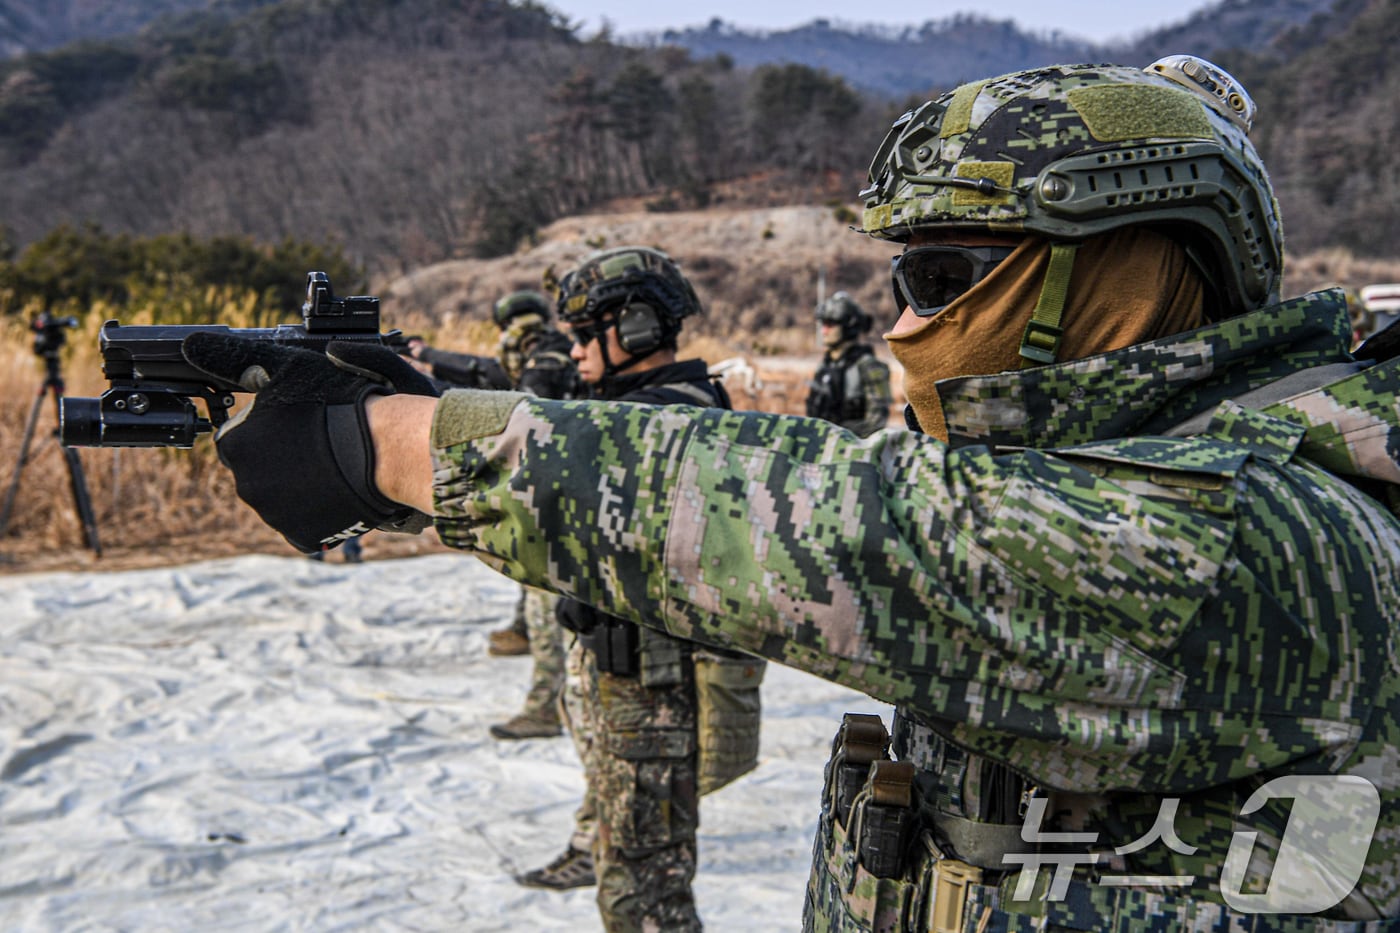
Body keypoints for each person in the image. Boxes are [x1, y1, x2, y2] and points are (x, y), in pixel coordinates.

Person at [180, 56, 1399, 932]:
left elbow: (854, 524)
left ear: (1124, 271)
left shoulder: (1254, 527)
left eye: (937, 274)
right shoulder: (1144, 465)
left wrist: (397, 443)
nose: (905, 323)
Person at [512, 246, 764, 929]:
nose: (574, 349)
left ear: (639, 329)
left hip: (655, 694)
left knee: (643, 896)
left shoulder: (667, 418)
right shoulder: (637, 407)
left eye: (584, 331)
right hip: (627, 684)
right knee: (629, 877)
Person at [411, 291, 582, 738]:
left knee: (548, 599)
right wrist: (427, 357)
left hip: (559, 495)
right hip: (554, 490)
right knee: (533, 582)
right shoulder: (550, 351)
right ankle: (524, 633)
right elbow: (486, 373)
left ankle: (545, 707)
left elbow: (521, 405)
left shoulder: (548, 360)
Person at [805, 291, 892, 436]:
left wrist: (837, 436)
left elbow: (876, 423)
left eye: (831, 324)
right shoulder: (825, 366)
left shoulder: (868, 366)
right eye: (823, 324)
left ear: (848, 327)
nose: (824, 331)